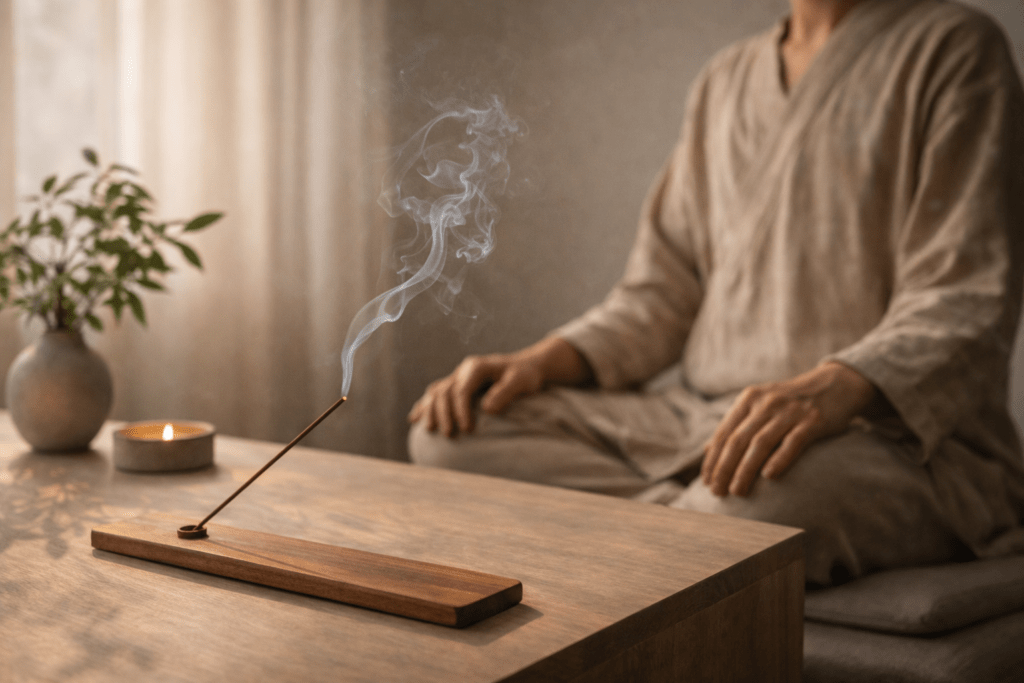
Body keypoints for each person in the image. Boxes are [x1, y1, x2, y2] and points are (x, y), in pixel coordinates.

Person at [407, 0, 1024, 586]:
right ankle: (687, 530)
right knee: (451, 434)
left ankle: (691, 528)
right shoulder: (725, 79)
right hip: (702, 422)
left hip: (885, 440)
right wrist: (541, 361)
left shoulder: (955, 49)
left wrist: (836, 386)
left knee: (748, 512)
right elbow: (661, 294)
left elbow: (963, 294)